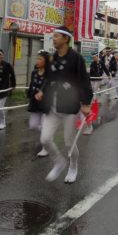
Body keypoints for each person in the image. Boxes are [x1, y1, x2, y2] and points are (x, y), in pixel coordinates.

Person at [37, 26, 93, 184]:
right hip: (52, 105)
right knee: (45, 139)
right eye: (53, 36)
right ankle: (59, 162)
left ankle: (73, 166)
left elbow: (84, 82)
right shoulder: (53, 57)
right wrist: (42, 90)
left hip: (69, 106)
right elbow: (48, 78)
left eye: (56, 36)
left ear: (65, 39)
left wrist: (86, 103)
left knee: (69, 143)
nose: (53, 39)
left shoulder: (77, 58)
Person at [27, 51, 49, 157]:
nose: (37, 61)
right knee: (33, 126)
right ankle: (45, 134)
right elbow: (31, 85)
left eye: (40, 59)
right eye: (37, 58)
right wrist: (29, 96)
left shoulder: (50, 74)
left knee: (44, 126)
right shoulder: (34, 72)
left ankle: (46, 148)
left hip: (46, 103)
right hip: (35, 103)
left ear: (46, 61)